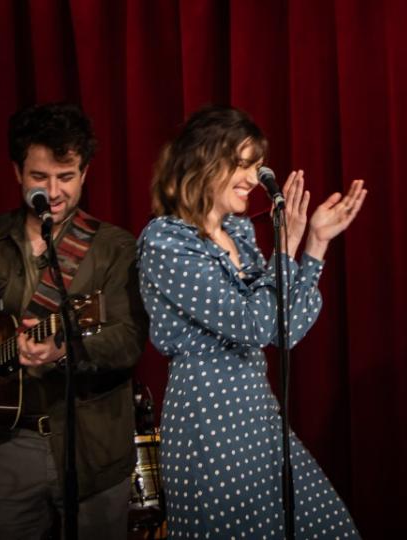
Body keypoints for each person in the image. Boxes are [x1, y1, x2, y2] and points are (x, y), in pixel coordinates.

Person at [0, 103, 148, 538]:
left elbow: (129, 342)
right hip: (8, 446)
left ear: (85, 174)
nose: (54, 190)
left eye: (66, 176)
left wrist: (66, 348)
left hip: (92, 447)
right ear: (16, 172)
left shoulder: (116, 248)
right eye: (39, 177)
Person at [138, 105, 365, 538]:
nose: (254, 178)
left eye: (256, 165)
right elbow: (251, 324)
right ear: (204, 163)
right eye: (242, 165)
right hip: (209, 424)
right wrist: (287, 243)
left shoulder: (238, 233)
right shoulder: (166, 241)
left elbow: (284, 330)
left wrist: (314, 246)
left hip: (258, 418)